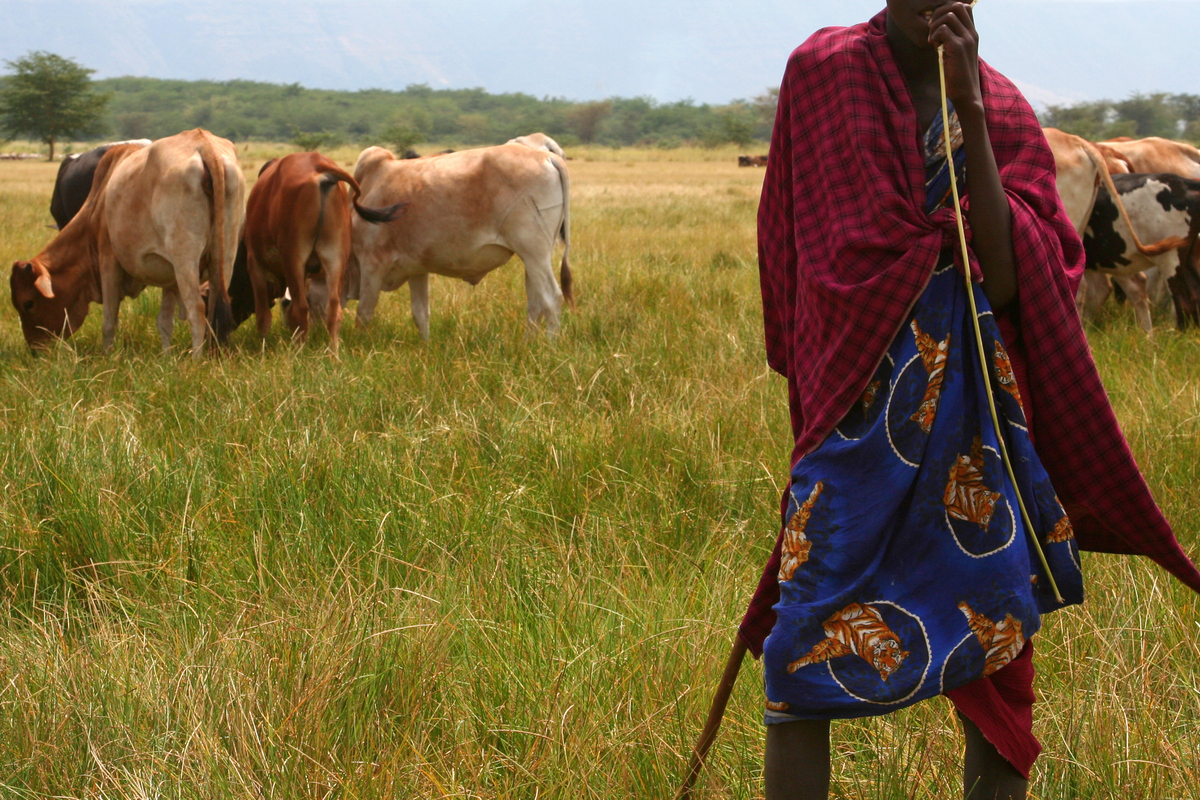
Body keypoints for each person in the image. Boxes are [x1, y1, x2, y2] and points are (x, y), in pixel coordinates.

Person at [740, 2, 1200, 799]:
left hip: (978, 429)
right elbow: (793, 236)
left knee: (998, 649)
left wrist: (971, 115)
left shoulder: (1005, 108)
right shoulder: (824, 74)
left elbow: (1016, 272)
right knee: (801, 646)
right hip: (856, 422)